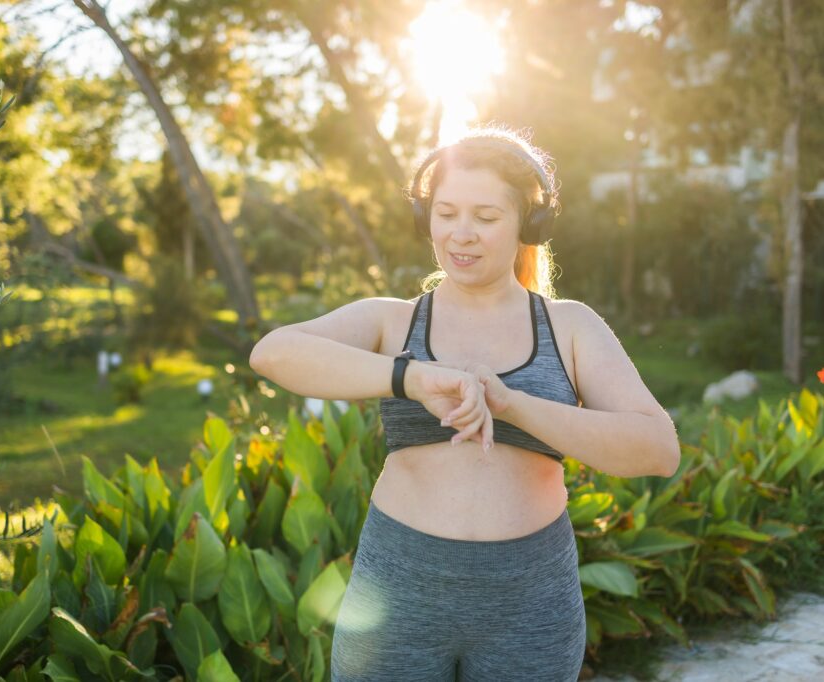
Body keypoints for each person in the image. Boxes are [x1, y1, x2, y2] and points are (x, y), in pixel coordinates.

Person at [249, 124, 681, 681]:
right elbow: (272, 353)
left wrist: (513, 404)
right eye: (446, 212)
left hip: (529, 599)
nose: (462, 234)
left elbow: (657, 448)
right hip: (398, 589)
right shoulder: (392, 320)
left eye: (486, 216)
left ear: (528, 224)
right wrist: (411, 378)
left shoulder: (571, 327)